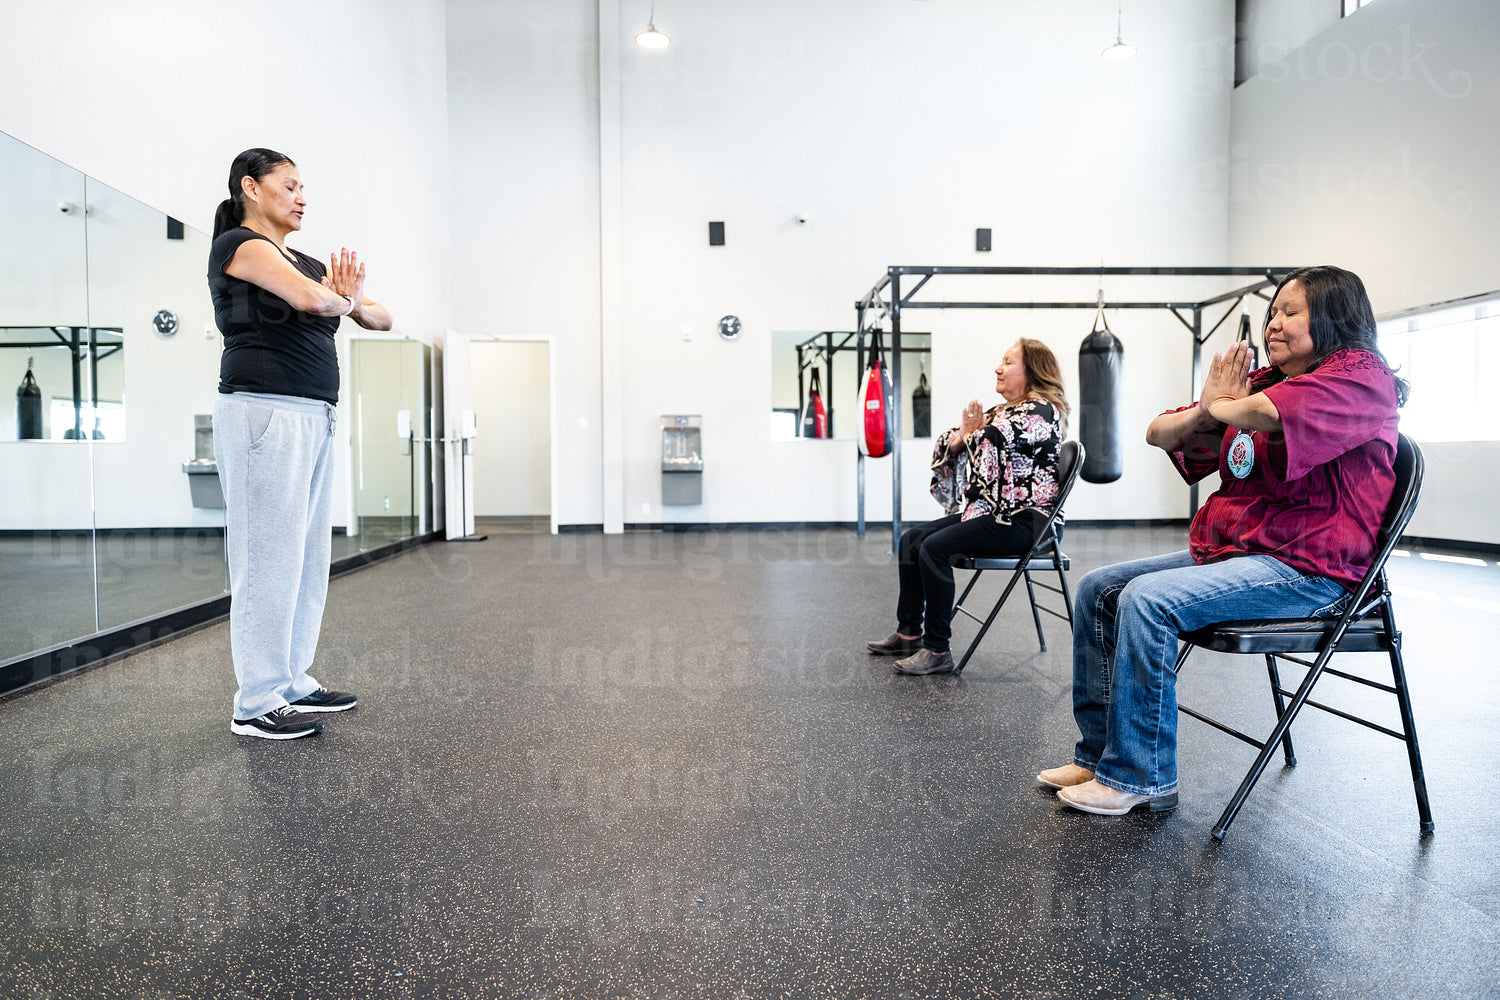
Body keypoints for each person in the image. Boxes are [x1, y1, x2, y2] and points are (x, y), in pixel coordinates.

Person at [1041, 265, 1406, 815]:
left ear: (1333, 317)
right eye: (1272, 313)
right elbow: (1158, 431)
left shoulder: (1360, 375)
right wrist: (1210, 404)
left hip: (1315, 572)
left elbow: (1261, 414)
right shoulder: (1265, 382)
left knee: (1149, 600)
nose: (1273, 324)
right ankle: (1099, 756)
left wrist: (1216, 405)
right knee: (1098, 589)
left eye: (1290, 311)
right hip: (1245, 551)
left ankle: (1140, 775)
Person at [208, 148, 393, 740]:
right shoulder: (242, 245)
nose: (301, 196)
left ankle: (290, 679)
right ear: (251, 189)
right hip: (264, 413)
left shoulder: (308, 260)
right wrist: (343, 299)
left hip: (314, 416)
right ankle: (256, 701)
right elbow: (316, 301)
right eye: (289, 186)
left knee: (308, 558)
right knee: (268, 559)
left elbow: (381, 318)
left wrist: (355, 298)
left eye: (303, 187)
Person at [867, 339, 1069, 676]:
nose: (998, 368)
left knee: (934, 548)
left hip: (1027, 522)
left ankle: (937, 649)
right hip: (995, 513)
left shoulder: (1041, 410)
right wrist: (965, 435)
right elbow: (964, 435)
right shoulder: (1006, 410)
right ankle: (909, 633)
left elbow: (993, 438)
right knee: (911, 541)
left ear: (1032, 371)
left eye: (1007, 361)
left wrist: (969, 435)